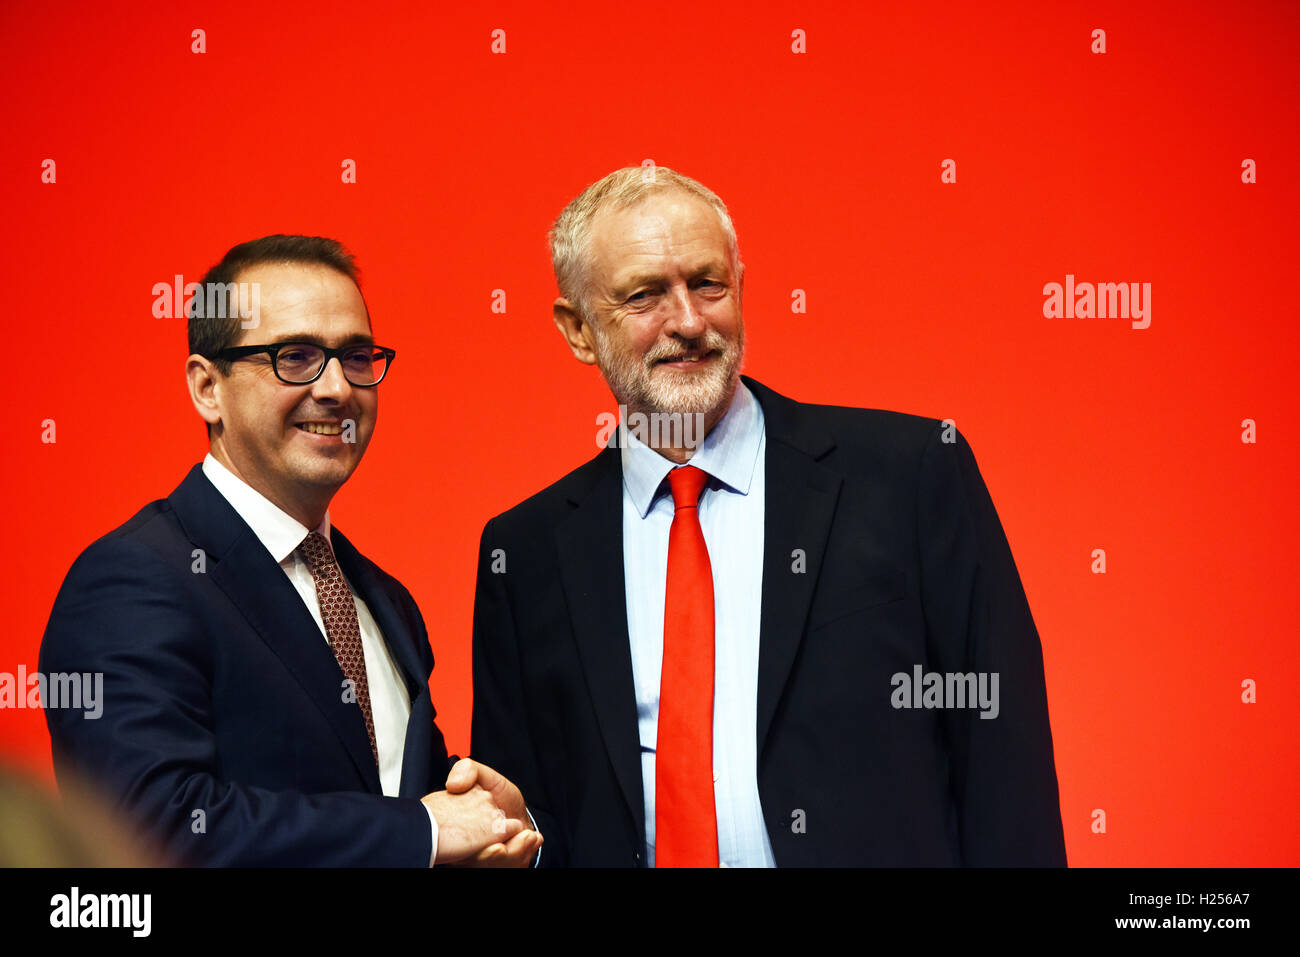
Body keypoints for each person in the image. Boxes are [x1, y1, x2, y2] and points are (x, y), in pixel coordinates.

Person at [470, 168, 1067, 866]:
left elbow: (1004, 761)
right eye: (644, 295)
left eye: (708, 284)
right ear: (577, 329)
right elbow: (522, 824)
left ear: (741, 288)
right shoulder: (525, 552)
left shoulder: (912, 475)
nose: (689, 322)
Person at [40, 235, 540, 866]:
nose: (335, 388)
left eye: (356, 357)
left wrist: (499, 831)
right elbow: (151, 830)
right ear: (207, 389)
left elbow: (397, 802)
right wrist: (424, 831)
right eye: (294, 356)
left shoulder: (385, 601)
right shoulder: (133, 581)